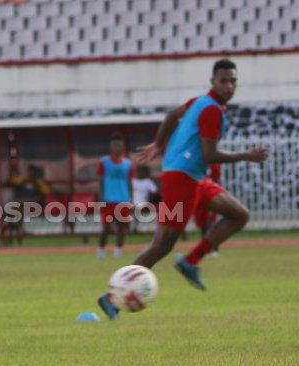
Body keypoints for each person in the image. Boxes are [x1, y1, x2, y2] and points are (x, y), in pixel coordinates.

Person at [98, 59, 269, 319]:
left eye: (233, 80)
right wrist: (246, 155)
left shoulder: (199, 102)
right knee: (162, 245)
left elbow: (170, 116)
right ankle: (111, 298)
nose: (229, 85)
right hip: (182, 179)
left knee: (239, 214)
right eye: (223, 80)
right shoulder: (211, 110)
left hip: (194, 177)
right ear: (213, 82)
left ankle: (191, 261)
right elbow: (209, 155)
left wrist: (158, 144)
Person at [96, 134, 134, 259]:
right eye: (114, 145)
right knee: (106, 227)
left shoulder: (128, 164)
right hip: (108, 200)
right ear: (110, 147)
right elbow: (100, 181)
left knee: (122, 228)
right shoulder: (104, 162)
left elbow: (129, 183)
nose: (117, 147)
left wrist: (131, 199)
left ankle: (118, 251)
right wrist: (101, 198)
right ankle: (101, 250)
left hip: (124, 199)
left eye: (119, 145)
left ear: (123, 147)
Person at [3, 164, 51, 245]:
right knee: (17, 205)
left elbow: (47, 193)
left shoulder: (39, 182)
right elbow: (9, 181)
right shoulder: (22, 180)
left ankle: (12, 226)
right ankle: (16, 227)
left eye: (33, 172)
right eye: (30, 172)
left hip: (34, 204)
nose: (31, 174)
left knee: (18, 204)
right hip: (21, 204)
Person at [193, 163, 222, 256]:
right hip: (197, 194)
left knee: (211, 223)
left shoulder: (214, 163)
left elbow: (217, 179)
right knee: (203, 226)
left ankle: (214, 248)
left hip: (210, 194)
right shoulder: (195, 160)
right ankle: (204, 249)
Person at [130, 165, 158, 233]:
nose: (139, 173)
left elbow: (154, 191)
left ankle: (134, 228)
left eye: (140, 171)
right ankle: (127, 228)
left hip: (143, 202)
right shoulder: (132, 181)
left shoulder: (147, 181)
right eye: (137, 171)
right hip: (132, 202)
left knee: (137, 208)